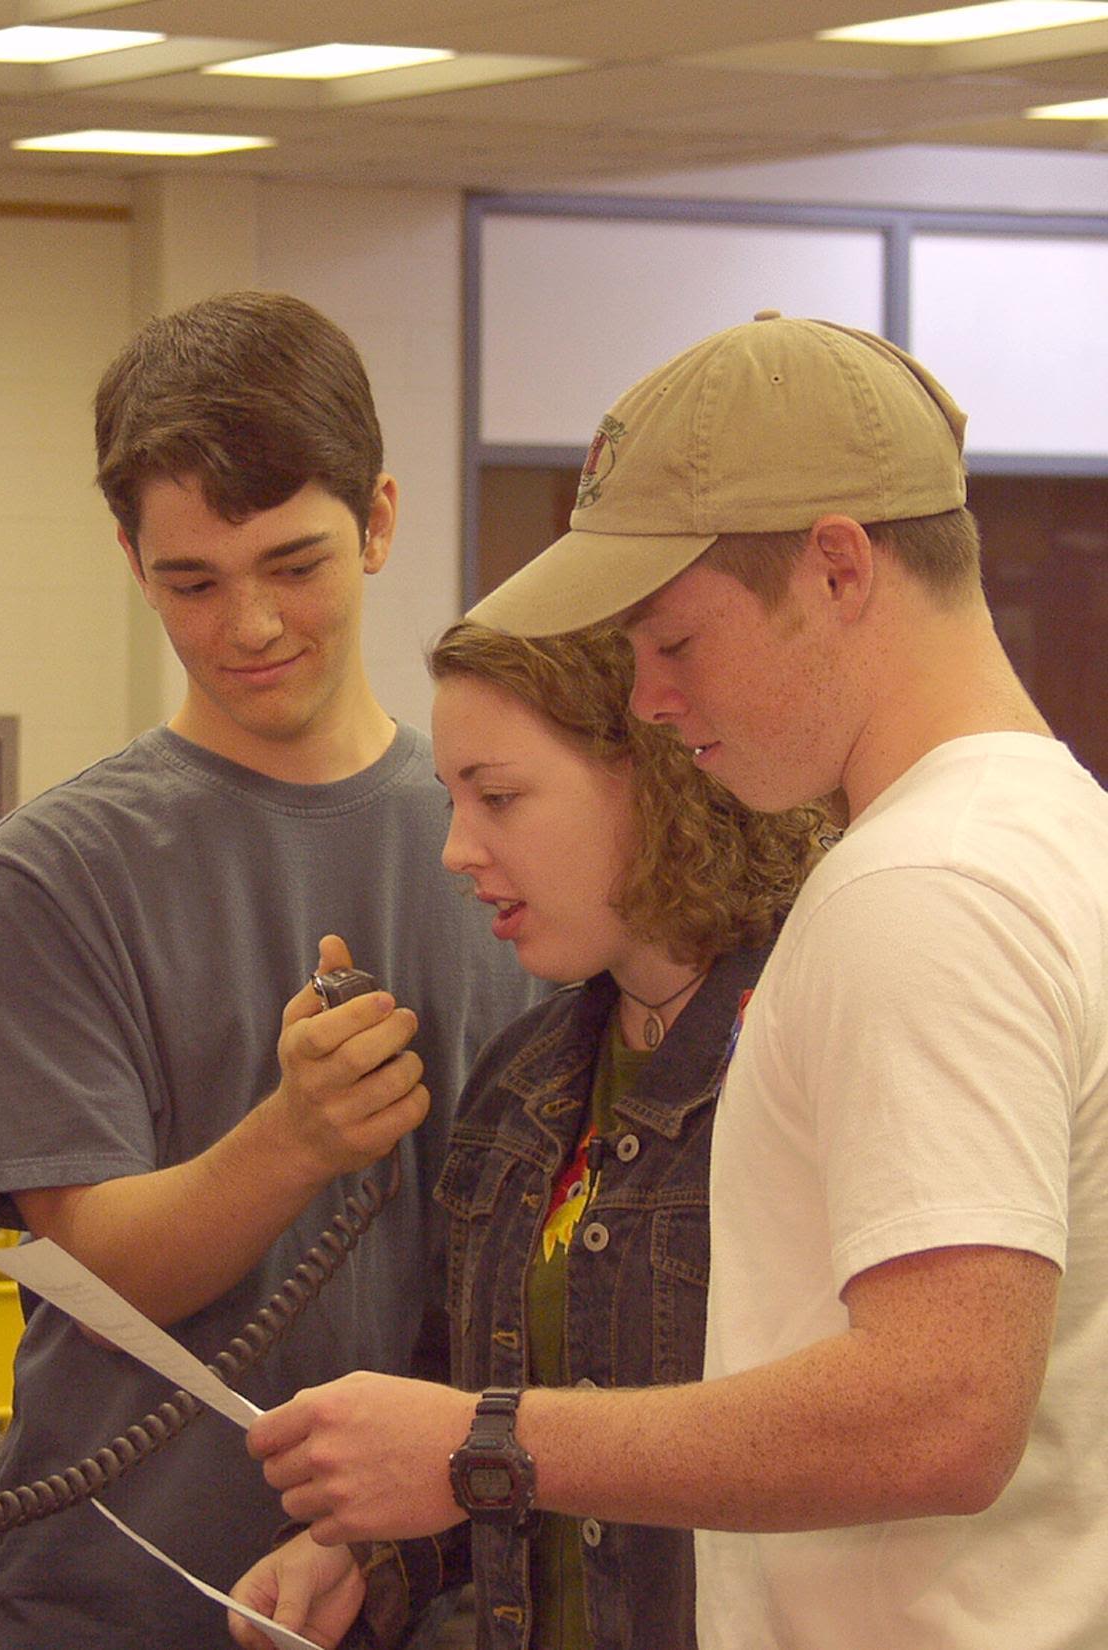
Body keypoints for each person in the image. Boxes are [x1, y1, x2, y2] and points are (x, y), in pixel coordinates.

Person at [244, 314, 1108, 1650]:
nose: (647, 698)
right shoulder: (1042, 831)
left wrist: (489, 1443)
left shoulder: (922, 891)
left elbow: (943, 1410)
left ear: (834, 568)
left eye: (676, 640)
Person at [0, 291, 540, 1650]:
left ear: (379, 522)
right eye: (192, 581)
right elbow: (98, 1267)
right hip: (126, 1592)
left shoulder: (510, 836)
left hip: (445, 1586)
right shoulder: (54, 871)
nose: (250, 623)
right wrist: (295, 1141)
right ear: (132, 559)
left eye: (295, 563)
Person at [231, 620, 824, 1649]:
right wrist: (369, 1556)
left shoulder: (805, 1048)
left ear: (657, 777)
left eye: (497, 798)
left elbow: (867, 1436)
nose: (458, 851)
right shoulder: (524, 1082)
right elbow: (480, 1439)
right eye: (451, 803)